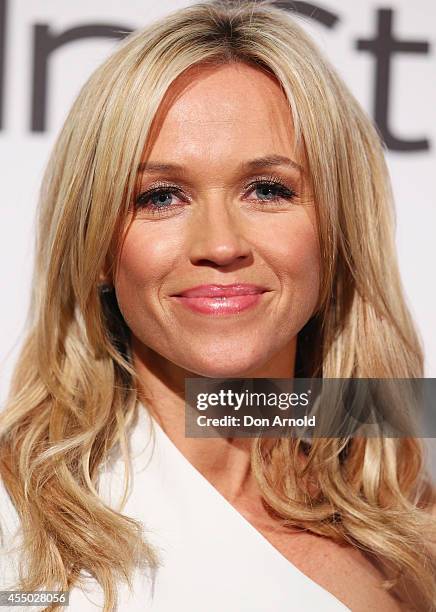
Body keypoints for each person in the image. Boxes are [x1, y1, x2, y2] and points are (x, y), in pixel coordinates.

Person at [1, 0, 435, 610]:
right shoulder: (15, 515)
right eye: (160, 197)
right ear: (97, 246)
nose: (221, 245)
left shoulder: (409, 532)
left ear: (338, 232)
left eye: (267, 189)